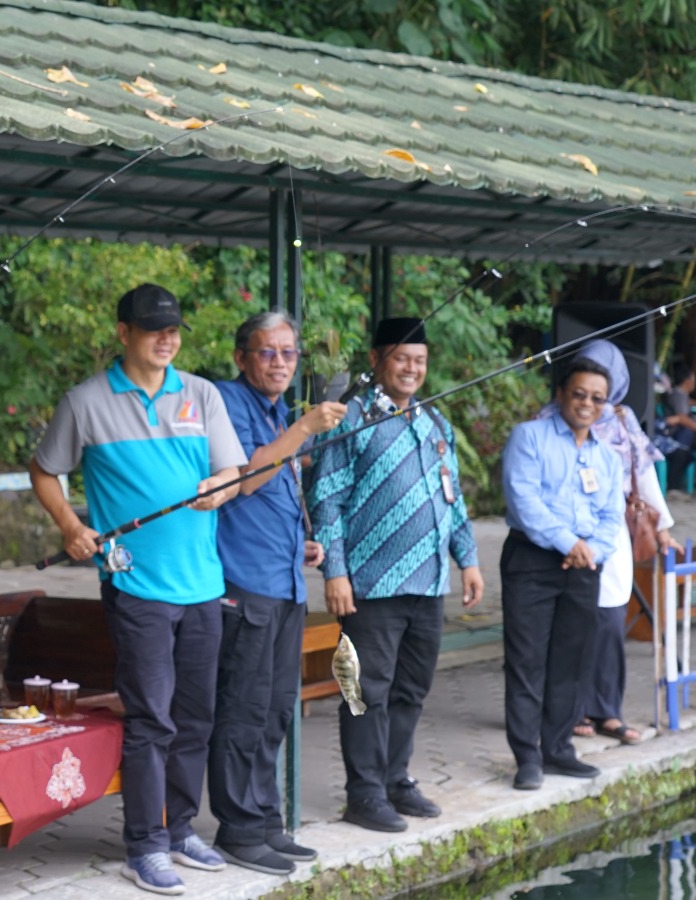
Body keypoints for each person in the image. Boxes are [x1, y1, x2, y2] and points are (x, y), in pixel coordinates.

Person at [30, 283, 247, 895]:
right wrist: (72, 526)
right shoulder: (86, 401)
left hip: (203, 585)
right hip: (136, 586)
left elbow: (233, 470)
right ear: (123, 332)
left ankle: (179, 830)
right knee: (152, 719)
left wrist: (220, 487)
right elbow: (45, 471)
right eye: (153, 329)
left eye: (173, 329)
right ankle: (143, 846)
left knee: (196, 715)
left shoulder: (201, 393)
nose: (166, 339)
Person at [310, 317, 483, 833]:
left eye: (420, 360)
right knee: (364, 691)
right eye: (402, 358)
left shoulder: (434, 424)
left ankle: (394, 778)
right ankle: (362, 793)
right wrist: (335, 573)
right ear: (376, 360)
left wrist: (468, 559)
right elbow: (327, 499)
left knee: (411, 689)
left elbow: (452, 499)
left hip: (428, 584)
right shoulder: (352, 419)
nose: (412, 368)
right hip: (370, 585)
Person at [207, 311, 346, 875]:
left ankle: (264, 820)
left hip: (284, 581)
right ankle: (237, 830)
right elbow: (242, 479)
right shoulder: (226, 402)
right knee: (241, 711)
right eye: (267, 353)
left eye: (289, 354)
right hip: (245, 584)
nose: (280, 363)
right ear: (242, 357)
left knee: (273, 712)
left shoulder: (279, 413)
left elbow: (275, 494)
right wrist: (305, 428)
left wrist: (304, 547)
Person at [535, 342, 675, 747]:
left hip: (611, 536)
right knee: (569, 626)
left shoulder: (622, 417)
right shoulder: (550, 416)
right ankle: (571, 709)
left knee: (610, 623)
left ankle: (607, 710)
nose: (590, 399)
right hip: (564, 537)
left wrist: (663, 526)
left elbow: (642, 472)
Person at [501, 357, 625, 791]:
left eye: (597, 398)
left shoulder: (606, 457)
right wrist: (568, 543)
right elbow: (524, 502)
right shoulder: (529, 437)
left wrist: (589, 550)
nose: (587, 404)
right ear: (560, 395)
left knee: (571, 662)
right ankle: (527, 757)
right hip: (532, 560)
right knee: (527, 662)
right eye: (579, 394)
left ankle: (558, 750)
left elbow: (614, 515)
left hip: (584, 565)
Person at [659, 363, 696, 489]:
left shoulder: (682, 395)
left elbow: (690, 403)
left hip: (681, 439)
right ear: (687, 381)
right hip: (674, 436)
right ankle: (673, 487)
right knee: (684, 451)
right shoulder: (678, 394)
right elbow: (682, 418)